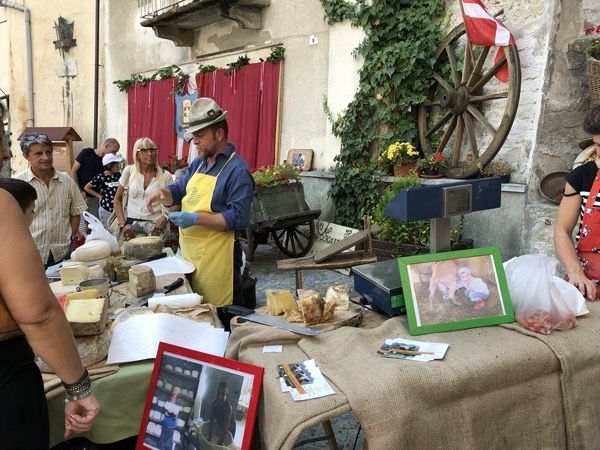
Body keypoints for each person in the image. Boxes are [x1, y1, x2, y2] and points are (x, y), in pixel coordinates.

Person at [0, 103, 100, 448]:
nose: (2, 151)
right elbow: (38, 314)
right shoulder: (5, 199)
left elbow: (78, 212)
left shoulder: (64, 182)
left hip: (58, 254)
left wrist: (74, 237)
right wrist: (79, 386)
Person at [145, 98, 254, 321]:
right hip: (190, 257)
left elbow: (239, 217)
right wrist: (164, 193)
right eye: (193, 136)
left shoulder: (237, 170)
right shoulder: (200, 163)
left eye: (200, 135)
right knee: (195, 316)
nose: (194, 142)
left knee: (220, 320)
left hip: (219, 262)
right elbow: (180, 189)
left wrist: (195, 218)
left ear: (219, 134)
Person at [14, 134, 88, 268]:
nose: (46, 157)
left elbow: (76, 212)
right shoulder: (18, 183)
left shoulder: (66, 180)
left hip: (62, 253)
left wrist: (69, 237)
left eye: (48, 152)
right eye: (38, 153)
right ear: (26, 156)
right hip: (30, 255)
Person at [555, 105, 600, 300]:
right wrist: (575, 273)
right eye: (598, 146)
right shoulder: (581, 177)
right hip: (587, 282)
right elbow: (562, 230)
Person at [113, 137, 172, 239]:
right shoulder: (129, 171)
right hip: (130, 225)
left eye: (152, 150)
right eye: (144, 150)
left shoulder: (165, 176)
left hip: (155, 227)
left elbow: (175, 203)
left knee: (152, 254)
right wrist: (123, 224)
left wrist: (165, 217)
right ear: (137, 154)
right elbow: (117, 199)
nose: (149, 154)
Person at [70, 138, 120, 217]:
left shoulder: (108, 162)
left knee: (94, 224)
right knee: (81, 224)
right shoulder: (86, 153)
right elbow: (73, 171)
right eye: (114, 151)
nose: (114, 154)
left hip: (97, 199)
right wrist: (80, 191)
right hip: (81, 196)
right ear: (106, 146)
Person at [84, 153, 123, 229]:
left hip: (118, 208)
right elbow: (87, 187)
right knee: (108, 230)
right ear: (109, 166)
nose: (119, 166)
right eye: (116, 165)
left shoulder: (119, 175)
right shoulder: (100, 177)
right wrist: (99, 196)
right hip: (106, 208)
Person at [207, 381, 235, 445]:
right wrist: (209, 437)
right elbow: (211, 421)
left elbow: (225, 427)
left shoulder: (228, 407)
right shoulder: (214, 403)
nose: (219, 396)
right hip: (221, 423)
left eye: (223, 394)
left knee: (226, 444)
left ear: (226, 395)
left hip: (230, 426)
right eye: (218, 393)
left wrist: (218, 444)